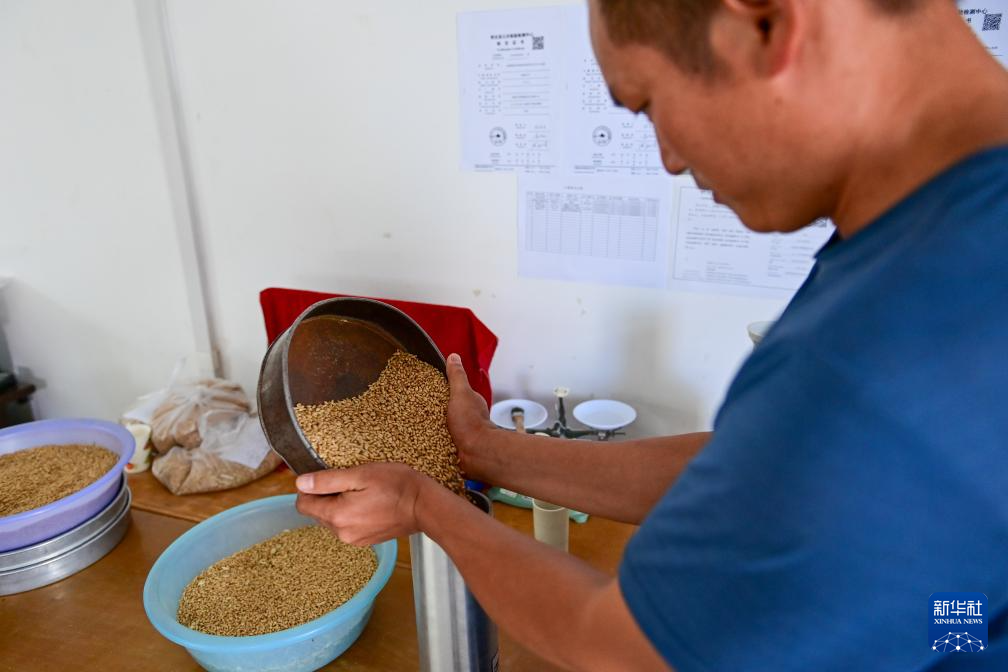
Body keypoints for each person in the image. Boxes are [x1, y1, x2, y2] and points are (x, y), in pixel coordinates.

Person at [295, 0, 1008, 669]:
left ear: (761, 22)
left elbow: (621, 646)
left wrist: (426, 506)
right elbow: (764, 473)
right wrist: (485, 450)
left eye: (647, 103)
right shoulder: (929, 235)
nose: (668, 157)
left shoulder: (890, 342)